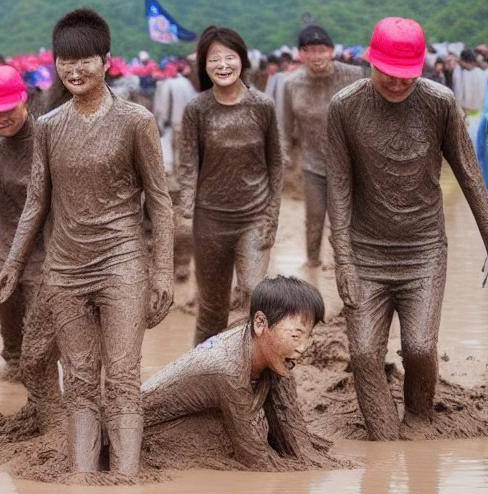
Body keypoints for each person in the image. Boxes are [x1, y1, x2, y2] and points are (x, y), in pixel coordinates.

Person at [0, 8, 174, 477]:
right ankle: (83, 483)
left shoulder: (136, 120)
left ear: (106, 60)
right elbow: (36, 203)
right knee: (82, 380)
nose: (75, 70)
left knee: (124, 376)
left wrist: (163, 269)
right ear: (55, 65)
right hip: (66, 270)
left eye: (84, 60)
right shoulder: (48, 127)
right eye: (65, 61)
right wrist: (11, 264)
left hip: (122, 263)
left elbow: (161, 201)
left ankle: (126, 482)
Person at [326, 17, 488, 440]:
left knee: (420, 347)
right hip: (364, 249)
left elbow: (470, 175)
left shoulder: (440, 103)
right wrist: (342, 259)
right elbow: (339, 189)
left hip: (423, 249)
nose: (398, 84)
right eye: (389, 74)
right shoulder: (345, 106)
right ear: (370, 61)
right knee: (363, 353)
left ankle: (419, 419)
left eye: (407, 76)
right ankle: (382, 437)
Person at [141, 275, 333, 470]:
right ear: (260, 323)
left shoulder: (256, 339)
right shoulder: (229, 371)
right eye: (295, 335)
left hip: (188, 413)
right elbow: (256, 459)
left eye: (308, 337)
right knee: (228, 435)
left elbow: (293, 428)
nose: (303, 347)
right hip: (147, 431)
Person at [179, 26, 283, 344]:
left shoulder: (262, 106)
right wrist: (184, 215)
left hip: (253, 216)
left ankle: (255, 373)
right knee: (212, 310)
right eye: (214, 59)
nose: (223, 65)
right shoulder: (197, 109)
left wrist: (272, 216)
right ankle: (202, 378)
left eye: (229, 57)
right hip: (209, 221)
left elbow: (276, 164)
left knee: (254, 294)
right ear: (204, 65)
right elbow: (187, 167)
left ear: (242, 60)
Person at [0, 66, 45, 381]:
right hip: (7, 255)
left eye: (8, 110)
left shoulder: (48, 138)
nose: (1, 118)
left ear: (24, 100)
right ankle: (13, 377)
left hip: (49, 256)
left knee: (41, 344)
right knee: (13, 341)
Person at [282, 25, 363, 267]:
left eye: (321, 50)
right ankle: (313, 267)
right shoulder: (292, 84)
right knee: (314, 219)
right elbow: (285, 128)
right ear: (301, 54)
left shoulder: (355, 75)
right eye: (309, 51)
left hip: (350, 164)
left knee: (346, 221)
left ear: (331, 51)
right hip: (312, 164)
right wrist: (284, 163)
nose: (316, 56)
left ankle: (348, 268)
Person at [153, 60, 197, 281]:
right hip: (186, 131)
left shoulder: (166, 85)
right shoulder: (187, 85)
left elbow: (160, 112)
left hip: (171, 130)